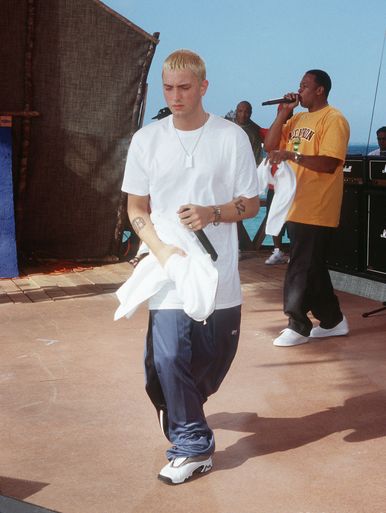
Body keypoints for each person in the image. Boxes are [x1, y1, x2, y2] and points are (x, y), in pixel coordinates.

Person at [121, 49, 259, 483]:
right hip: (168, 266)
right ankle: (192, 444)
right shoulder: (147, 140)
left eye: (184, 87)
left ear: (203, 87)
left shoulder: (230, 137)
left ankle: (180, 406)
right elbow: (136, 206)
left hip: (219, 272)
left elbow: (251, 203)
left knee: (213, 357)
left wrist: (212, 213)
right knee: (168, 354)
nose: (176, 95)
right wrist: (159, 251)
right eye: (168, 88)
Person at [264, 69, 350, 347]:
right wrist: (282, 113)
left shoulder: (333, 118)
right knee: (311, 267)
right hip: (296, 202)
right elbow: (269, 145)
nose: (298, 90)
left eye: (304, 86)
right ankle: (333, 320)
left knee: (301, 266)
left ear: (320, 90)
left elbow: (328, 163)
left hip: (318, 204)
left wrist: (292, 155)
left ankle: (298, 324)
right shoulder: (298, 118)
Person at [234, 101, 266, 165]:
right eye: (240, 111)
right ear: (236, 112)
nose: (243, 115)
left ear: (250, 113)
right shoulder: (227, 125)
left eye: (246, 112)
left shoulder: (256, 131)